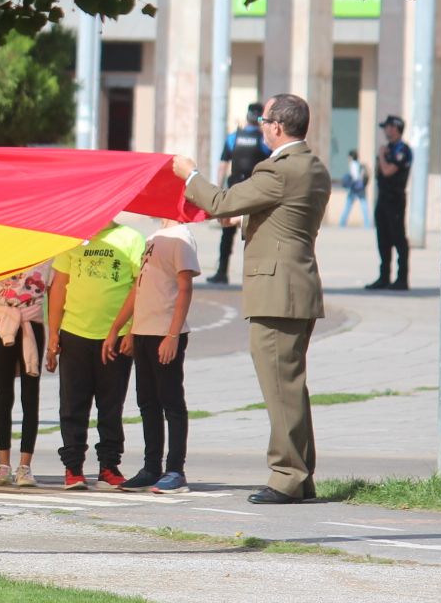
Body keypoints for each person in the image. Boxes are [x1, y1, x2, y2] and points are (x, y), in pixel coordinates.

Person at [174, 92, 331, 504]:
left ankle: (287, 475)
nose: (260, 127)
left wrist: (190, 176)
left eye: (263, 120)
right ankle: (301, 473)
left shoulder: (278, 169)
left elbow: (219, 201)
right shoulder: (311, 166)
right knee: (291, 385)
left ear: (277, 126)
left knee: (280, 386)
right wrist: (245, 215)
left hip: (276, 291)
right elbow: (282, 214)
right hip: (297, 287)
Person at [48, 223, 145, 489]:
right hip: (74, 332)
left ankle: (109, 467)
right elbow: (59, 286)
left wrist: (131, 332)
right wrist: (53, 333)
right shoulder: (71, 235)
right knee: (72, 404)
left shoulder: (132, 238)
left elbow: (141, 286)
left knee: (111, 405)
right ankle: (73, 467)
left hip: (115, 336)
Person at [106, 221, 200, 492]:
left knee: (171, 402)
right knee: (147, 402)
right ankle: (151, 467)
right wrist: (121, 329)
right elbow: (139, 288)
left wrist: (172, 336)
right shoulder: (153, 237)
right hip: (143, 331)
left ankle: (175, 469)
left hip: (165, 333)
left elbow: (185, 288)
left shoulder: (181, 237)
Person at [0, 263, 51, 487]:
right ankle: (3, 464)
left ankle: (25, 465)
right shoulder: (4, 253)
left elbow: (56, 292)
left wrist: (54, 339)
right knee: (3, 395)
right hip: (2, 323)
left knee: (30, 396)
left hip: (32, 323)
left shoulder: (47, 257)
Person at [206, 103, 270, 284]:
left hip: (234, 189)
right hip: (256, 190)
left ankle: (221, 272)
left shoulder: (234, 137)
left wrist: (218, 189)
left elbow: (222, 165)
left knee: (227, 232)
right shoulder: (264, 140)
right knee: (256, 232)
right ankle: (257, 277)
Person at [367, 115, 413, 290]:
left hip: (395, 199)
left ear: (395, 128)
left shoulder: (402, 150)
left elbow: (387, 171)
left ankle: (402, 278)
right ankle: (384, 276)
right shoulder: (388, 149)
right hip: (383, 198)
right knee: (383, 238)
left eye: (387, 127)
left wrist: (381, 156)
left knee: (398, 237)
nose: (385, 130)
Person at [338, 150, 369, 227]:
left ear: (351, 157)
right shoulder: (359, 164)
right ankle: (367, 223)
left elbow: (355, 177)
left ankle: (342, 222)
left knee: (348, 205)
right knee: (364, 205)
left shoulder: (353, 164)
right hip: (361, 188)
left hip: (354, 188)